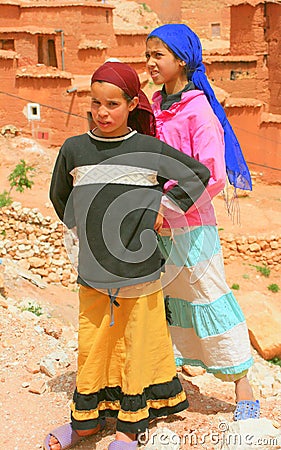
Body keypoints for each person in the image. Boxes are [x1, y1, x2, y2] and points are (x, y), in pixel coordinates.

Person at [45, 61, 210, 450]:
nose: (103, 112)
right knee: (94, 341)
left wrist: (164, 209)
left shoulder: (148, 149)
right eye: (96, 103)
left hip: (140, 270)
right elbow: (59, 197)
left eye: (113, 104)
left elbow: (197, 174)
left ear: (132, 103)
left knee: (136, 343)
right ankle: (86, 422)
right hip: (94, 268)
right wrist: (85, 226)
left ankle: (129, 427)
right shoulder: (74, 150)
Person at [145, 24, 260, 421]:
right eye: (148, 55)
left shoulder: (197, 110)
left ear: (181, 60)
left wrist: (168, 209)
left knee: (209, 295)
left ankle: (244, 389)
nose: (151, 63)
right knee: (168, 302)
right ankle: (169, 379)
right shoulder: (155, 106)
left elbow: (212, 174)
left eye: (158, 55)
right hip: (157, 226)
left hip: (191, 226)